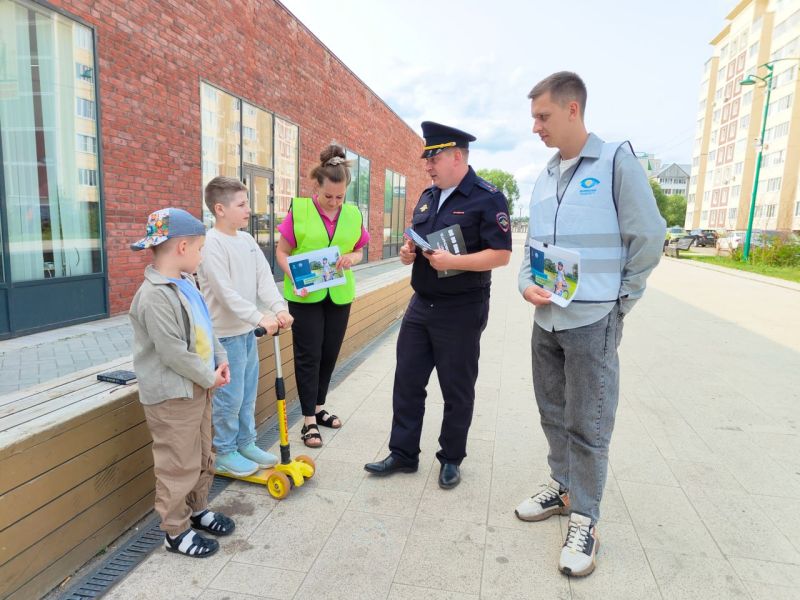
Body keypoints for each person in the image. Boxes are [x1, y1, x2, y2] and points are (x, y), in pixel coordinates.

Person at [515, 72, 665, 577]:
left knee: (589, 422)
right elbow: (532, 247)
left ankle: (586, 517)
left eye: (543, 116)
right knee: (552, 411)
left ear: (573, 109)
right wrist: (524, 284)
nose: (536, 126)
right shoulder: (546, 174)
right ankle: (562, 487)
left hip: (592, 320)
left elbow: (649, 234)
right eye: (535, 117)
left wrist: (622, 300)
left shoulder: (616, 161)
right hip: (546, 321)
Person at [364, 121, 512, 489]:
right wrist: (407, 253)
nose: (428, 165)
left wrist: (455, 262)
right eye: (427, 159)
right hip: (421, 304)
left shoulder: (487, 197)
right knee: (407, 381)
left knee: (457, 388)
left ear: (457, 156)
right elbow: (420, 244)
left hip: (462, 308)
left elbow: (502, 255)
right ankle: (403, 453)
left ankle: (451, 458)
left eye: (435, 157)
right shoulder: (428, 196)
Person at [128, 207, 235, 558]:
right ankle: (175, 530)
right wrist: (209, 376)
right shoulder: (154, 296)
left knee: (204, 451)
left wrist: (220, 358)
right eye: (201, 249)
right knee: (178, 462)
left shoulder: (186, 284)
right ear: (183, 248)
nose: (202, 256)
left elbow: (206, 327)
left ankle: (197, 507)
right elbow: (172, 352)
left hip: (198, 388)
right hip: (173, 396)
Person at [197, 176, 294, 477]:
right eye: (241, 204)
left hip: (247, 332)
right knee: (230, 395)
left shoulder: (248, 241)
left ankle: (245, 442)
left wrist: (279, 309)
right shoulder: (210, 244)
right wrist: (259, 317)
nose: (248, 209)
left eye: (247, 203)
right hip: (223, 336)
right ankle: (225, 450)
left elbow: (264, 280)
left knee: (248, 391)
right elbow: (226, 294)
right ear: (220, 209)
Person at [276, 144, 370, 448]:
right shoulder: (300, 210)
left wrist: (353, 259)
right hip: (304, 296)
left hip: (338, 295)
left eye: (339, 197)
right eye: (328, 196)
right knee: (309, 356)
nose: (333, 202)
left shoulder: (353, 214)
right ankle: (307, 421)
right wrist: (293, 277)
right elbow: (281, 252)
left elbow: (359, 248)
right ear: (317, 185)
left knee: (329, 355)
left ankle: (319, 407)